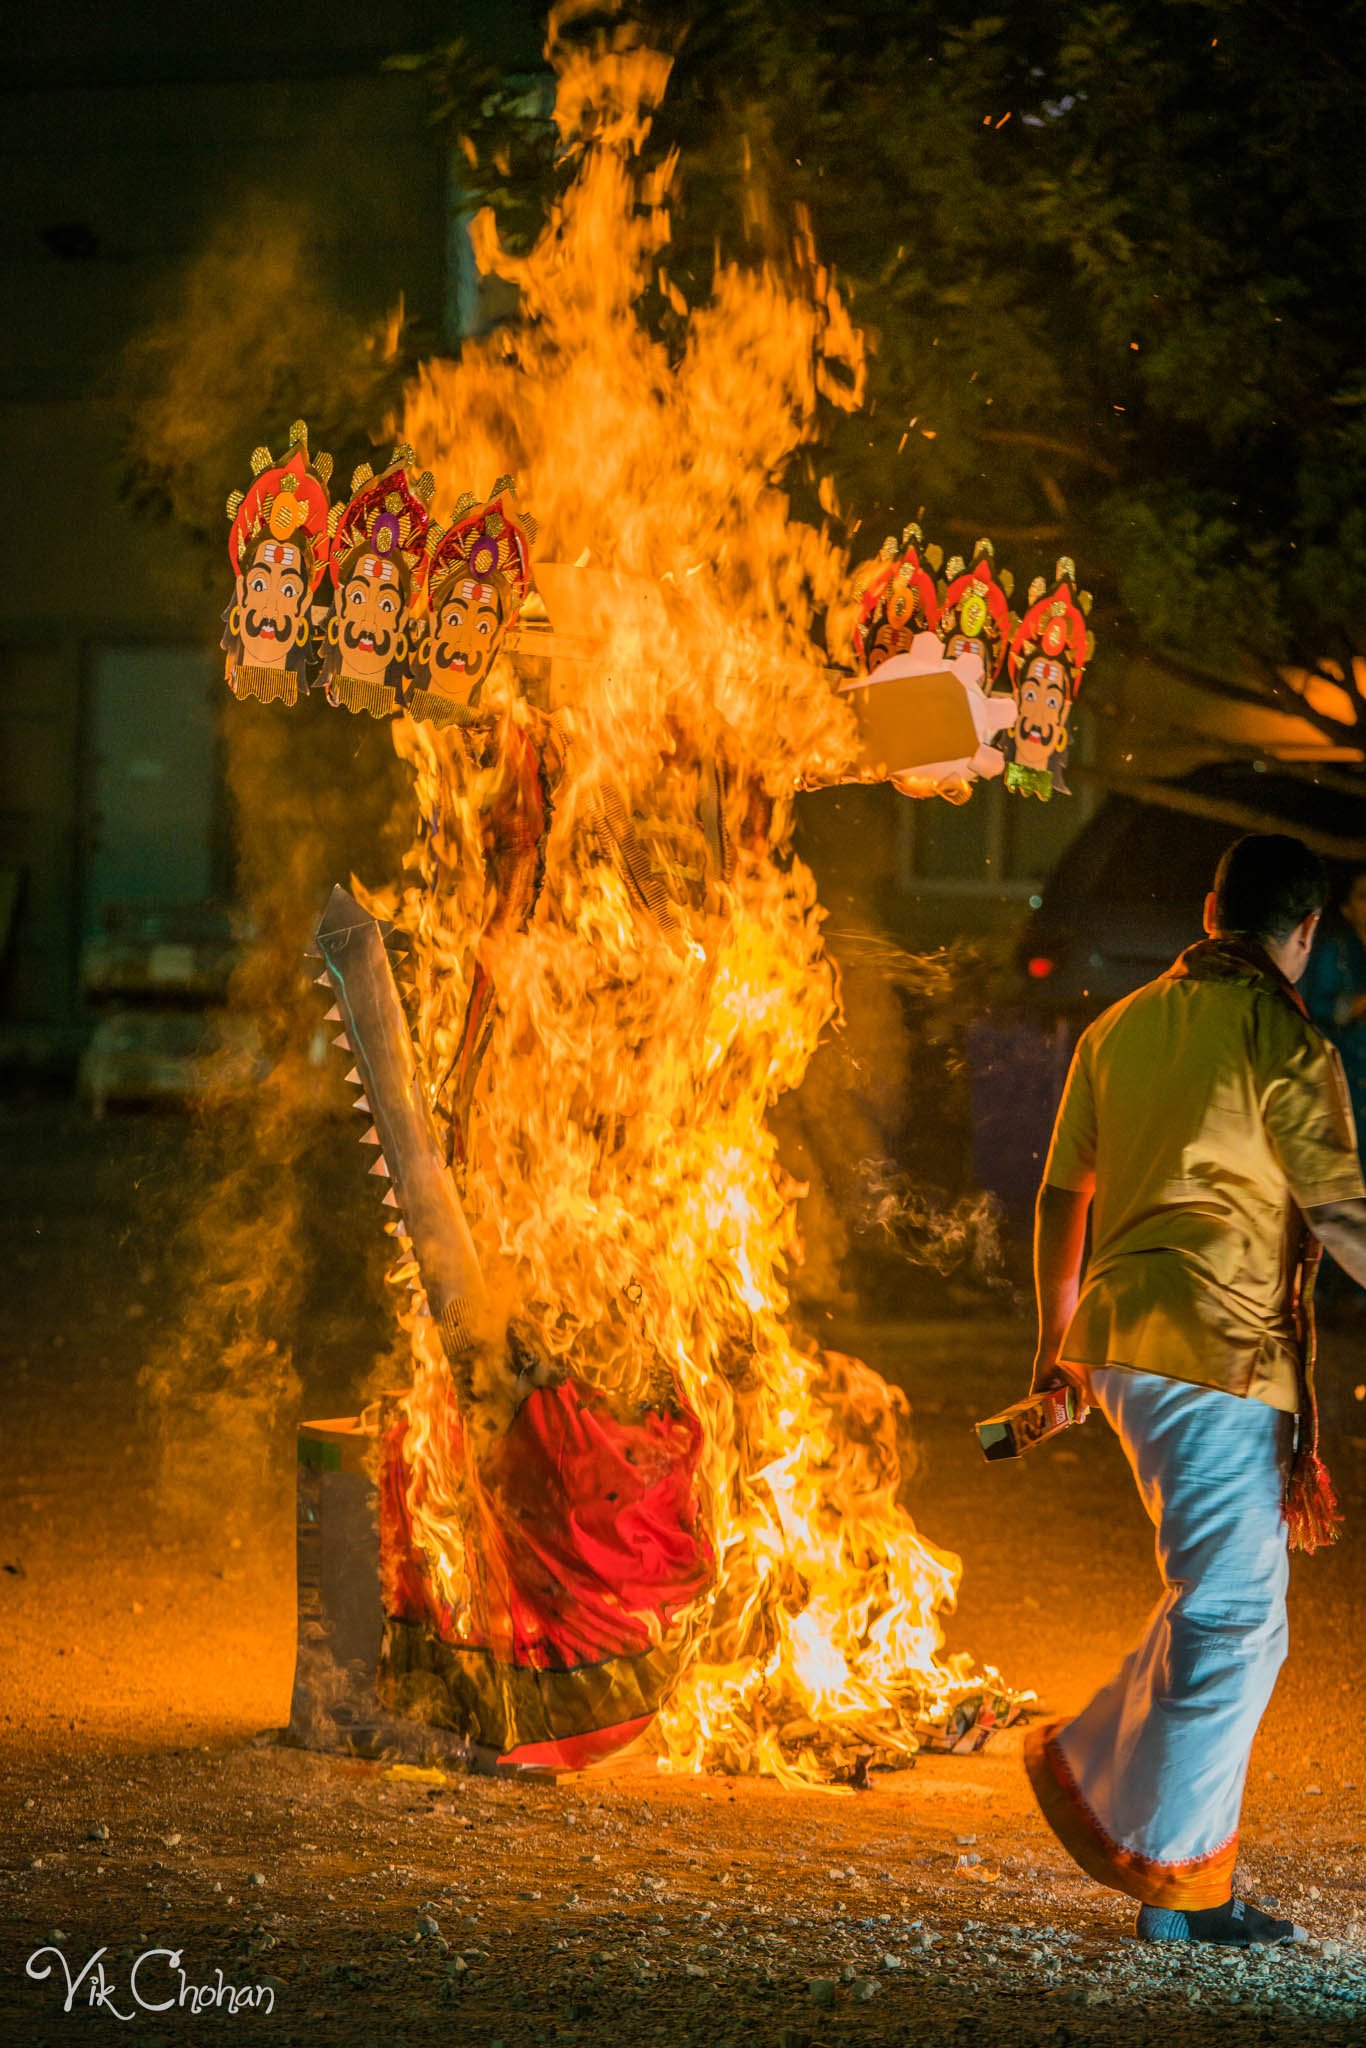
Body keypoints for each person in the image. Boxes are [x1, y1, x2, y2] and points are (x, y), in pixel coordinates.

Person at [1024, 833, 1366, 1946]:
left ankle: (1136, 1817)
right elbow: (1346, 1216)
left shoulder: (1118, 1025)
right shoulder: (1286, 1040)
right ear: (1305, 936)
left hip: (1124, 1342)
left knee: (1233, 1617)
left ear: (1211, 905)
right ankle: (1174, 1884)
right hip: (1212, 1353)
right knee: (1228, 1616)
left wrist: (1054, 1344)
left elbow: (1058, 1194)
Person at [1302, 867, 1366, 1160]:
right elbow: (1317, 1005)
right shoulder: (1334, 952)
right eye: (1364, 896)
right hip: (1348, 1082)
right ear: (1347, 909)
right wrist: (1356, 1005)